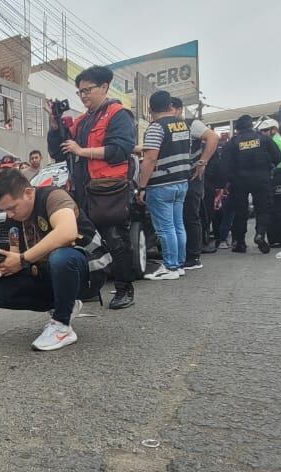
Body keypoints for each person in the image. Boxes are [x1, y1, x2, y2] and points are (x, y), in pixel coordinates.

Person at [0, 170, 109, 351]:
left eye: (12, 208)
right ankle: (65, 305)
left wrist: (23, 259)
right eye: (5, 210)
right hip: (50, 271)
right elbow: (15, 254)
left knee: (61, 257)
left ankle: (62, 326)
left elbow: (67, 233)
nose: (10, 214)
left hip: (89, 267)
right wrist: (5, 267)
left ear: (29, 193)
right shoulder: (14, 218)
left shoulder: (54, 196)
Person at [49, 65, 137, 310]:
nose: (83, 95)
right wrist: (55, 126)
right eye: (80, 92)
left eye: (87, 90)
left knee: (116, 239)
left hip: (109, 190)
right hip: (82, 191)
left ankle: (124, 289)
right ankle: (89, 288)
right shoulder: (82, 120)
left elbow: (121, 149)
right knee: (86, 241)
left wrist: (82, 150)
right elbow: (58, 152)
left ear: (104, 87)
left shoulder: (118, 114)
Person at [137, 91, 192, 280]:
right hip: (182, 181)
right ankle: (180, 264)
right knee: (178, 225)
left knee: (165, 228)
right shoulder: (183, 125)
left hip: (162, 183)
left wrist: (142, 187)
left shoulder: (156, 127)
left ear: (150, 109)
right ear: (170, 106)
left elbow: (150, 159)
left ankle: (170, 267)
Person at [169, 97, 220, 268]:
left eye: (170, 109)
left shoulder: (192, 124)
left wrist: (202, 162)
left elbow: (213, 137)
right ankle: (179, 255)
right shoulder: (164, 126)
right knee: (176, 218)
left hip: (191, 176)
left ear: (179, 110)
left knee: (190, 215)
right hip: (174, 177)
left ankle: (193, 257)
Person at [219, 115, 281, 253]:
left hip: (239, 181)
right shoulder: (264, 139)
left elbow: (224, 166)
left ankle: (240, 242)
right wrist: (269, 167)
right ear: (251, 126)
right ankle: (260, 234)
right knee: (263, 209)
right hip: (262, 178)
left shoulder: (232, 143)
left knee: (240, 212)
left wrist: (225, 183)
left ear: (237, 129)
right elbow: (278, 157)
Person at [257, 118, 281, 248]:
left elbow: (273, 159)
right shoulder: (276, 140)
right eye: (261, 131)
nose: (263, 133)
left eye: (266, 130)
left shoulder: (275, 141)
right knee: (278, 208)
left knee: (274, 208)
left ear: (274, 130)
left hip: (278, 175)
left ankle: (277, 239)